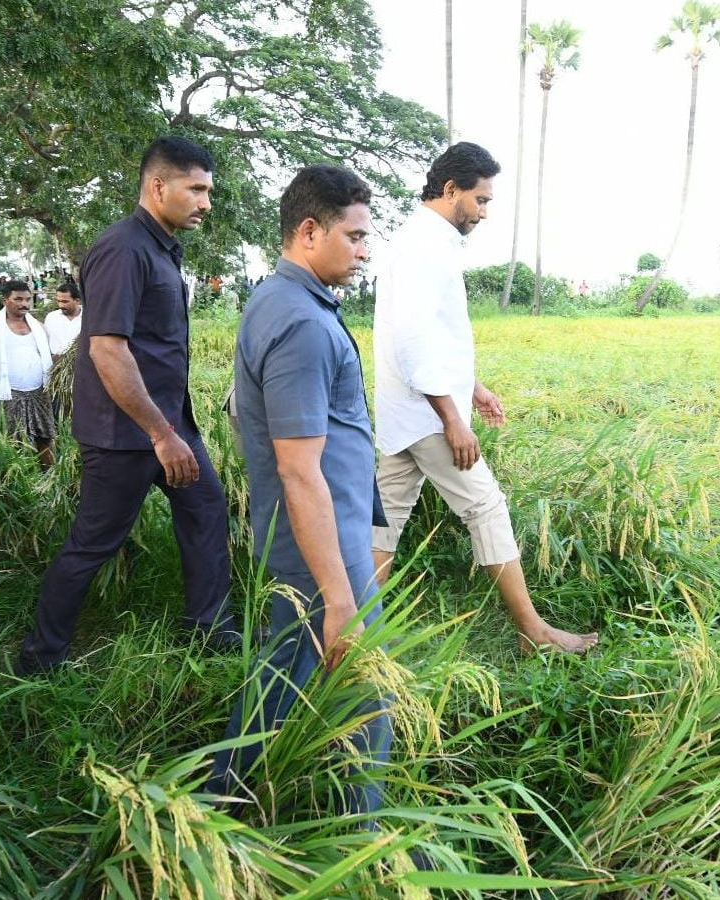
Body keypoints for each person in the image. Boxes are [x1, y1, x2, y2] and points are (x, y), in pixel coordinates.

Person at [15, 135, 239, 676]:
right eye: (197, 189)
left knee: (207, 510)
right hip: (126, 435)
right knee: (94, 543)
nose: (206, 202)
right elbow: (108, 350)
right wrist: (160, 435)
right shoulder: (122, 248)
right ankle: (39, 658)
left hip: (169, 426)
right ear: (159, 186)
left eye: (209, 190)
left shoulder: (161, 247)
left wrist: (171, 430)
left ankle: (210, 630)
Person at [210, 165, 391, 814]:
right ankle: (364, 840)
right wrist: (339, 596)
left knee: (279, 689)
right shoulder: (303, 325)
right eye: (356, 236)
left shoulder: (276, 301)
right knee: (367, 697)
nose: (365, 251)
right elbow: (298, 469)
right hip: (319, 549)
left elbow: (239, 412)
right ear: (309, 231)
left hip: (306, 537)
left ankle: (218, 814)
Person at [372, 143, 598, 654]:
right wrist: (452, 416)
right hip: (428, 416)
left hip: (408, 411)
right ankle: (533, 631)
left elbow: (435, 335)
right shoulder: (421, 247)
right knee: (486, 507)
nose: (484, 212)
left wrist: (471, 388)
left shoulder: (424, 242)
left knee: (383, 520)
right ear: (450, 190)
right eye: (480, 200)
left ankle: (356, 633)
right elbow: (412, 342)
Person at [0, 280, 56, 468]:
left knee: (45, 437)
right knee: (9, 439)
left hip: (40, 392)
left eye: (27, 299)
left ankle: (48, 481)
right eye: (18, 299)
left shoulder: (39, 327)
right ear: (5, 301)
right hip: (9, 394)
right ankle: (15, 480)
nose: (24, 304)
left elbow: (51, 359)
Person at [43, 281, 83, 360]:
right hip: (56, 363)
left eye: (65, 302)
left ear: (77, 301)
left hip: (82, 362)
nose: (61, 305)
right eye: (59, 301)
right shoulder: (51, 317)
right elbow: (45, 340)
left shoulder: (88, 317)